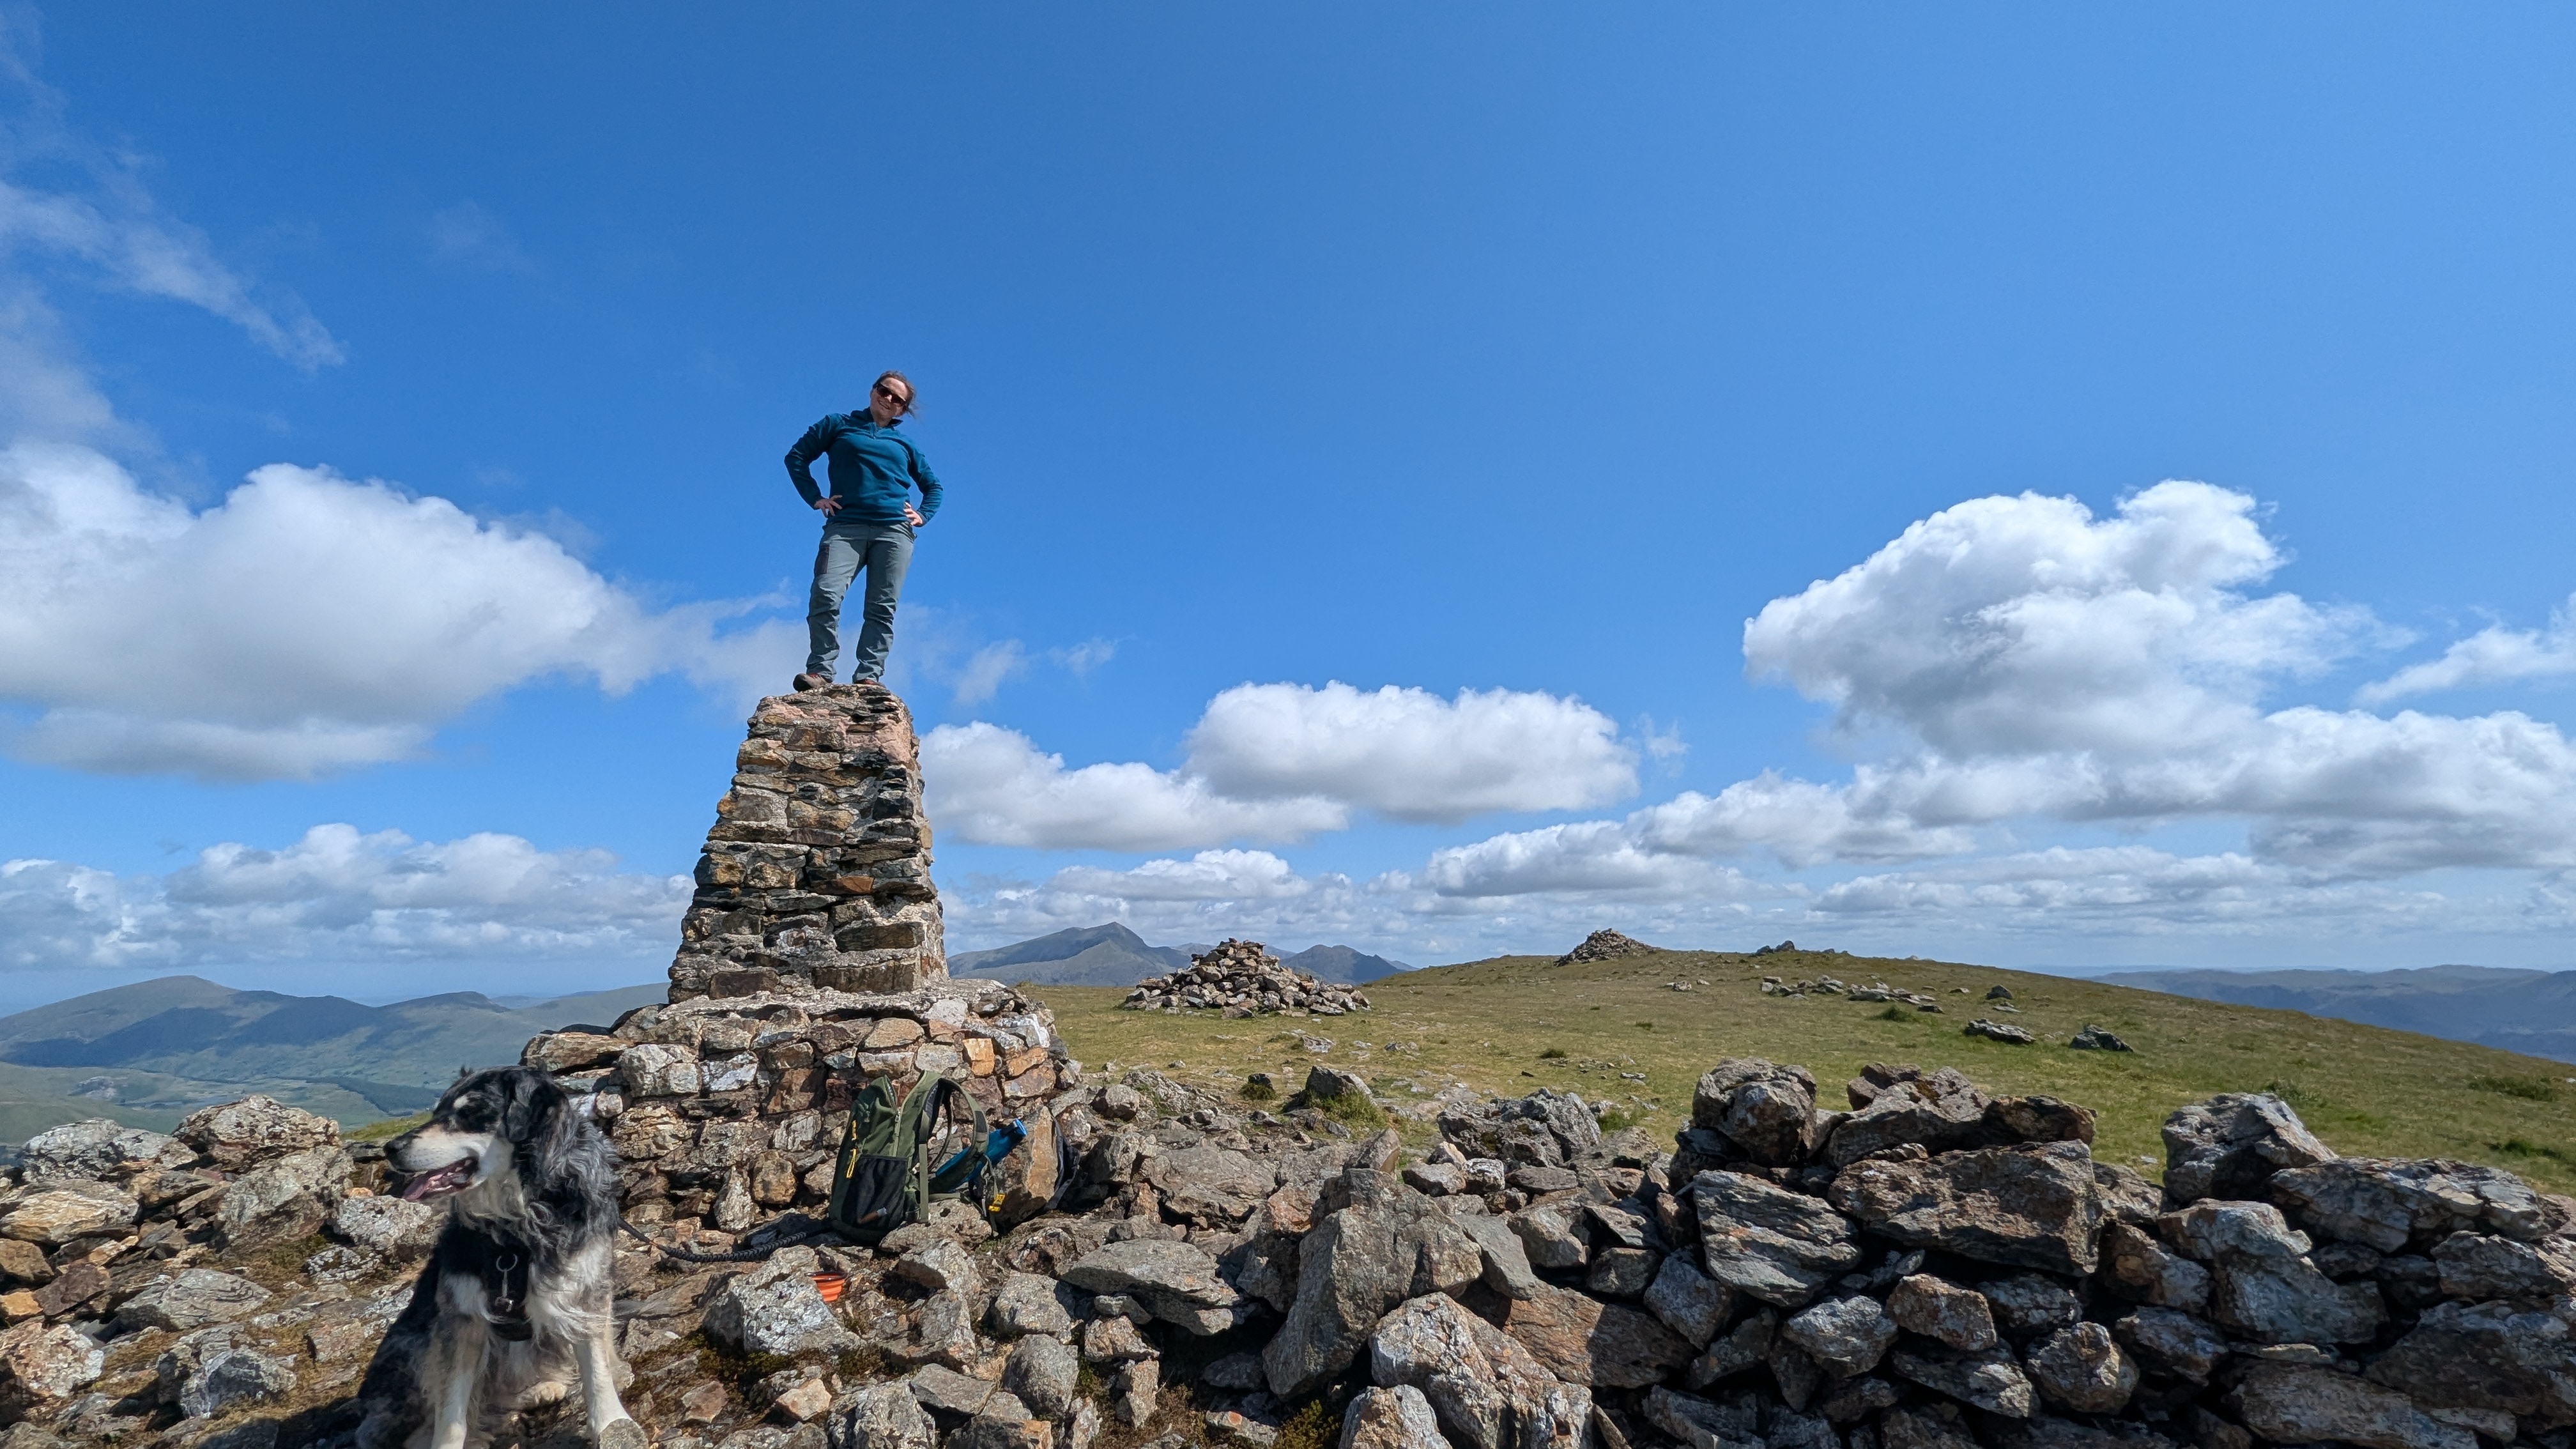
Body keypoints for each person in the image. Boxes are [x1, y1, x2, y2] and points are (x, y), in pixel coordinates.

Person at [784, 371, 942, 691]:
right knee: (826, 593)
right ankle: (820, 671)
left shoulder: (904, 444)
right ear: (873, 391)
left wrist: (923, 515)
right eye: (885, 391)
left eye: (898, 400)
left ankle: (869, 675)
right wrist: (815, 498)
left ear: (902, 410)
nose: (889, 400)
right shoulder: (837, 425)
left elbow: (934, 487)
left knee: (881, 607)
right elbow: (796, 458)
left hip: (894, 533)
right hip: (845, 527)